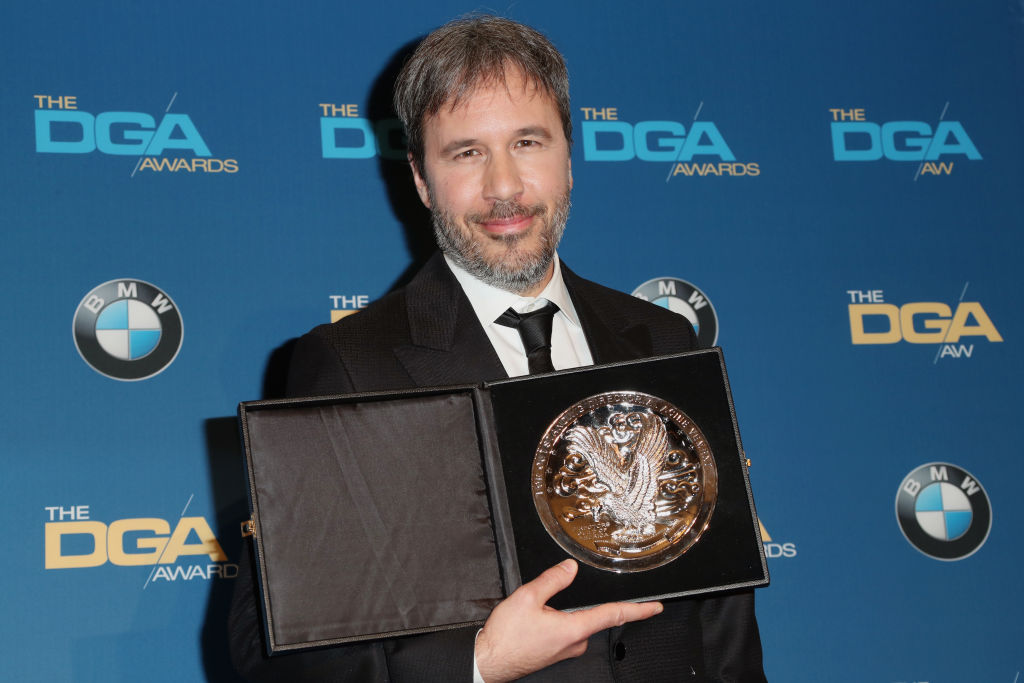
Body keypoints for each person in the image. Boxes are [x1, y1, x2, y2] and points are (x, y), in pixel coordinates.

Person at [229, 15, 765, 682]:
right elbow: (278, 652)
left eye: (528, 142)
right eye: (466, 152)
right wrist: (478, 663)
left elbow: (719, 612)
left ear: (569, 156)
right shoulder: (348, 365)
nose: (504, 186)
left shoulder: (658, 338)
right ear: (422, 179)